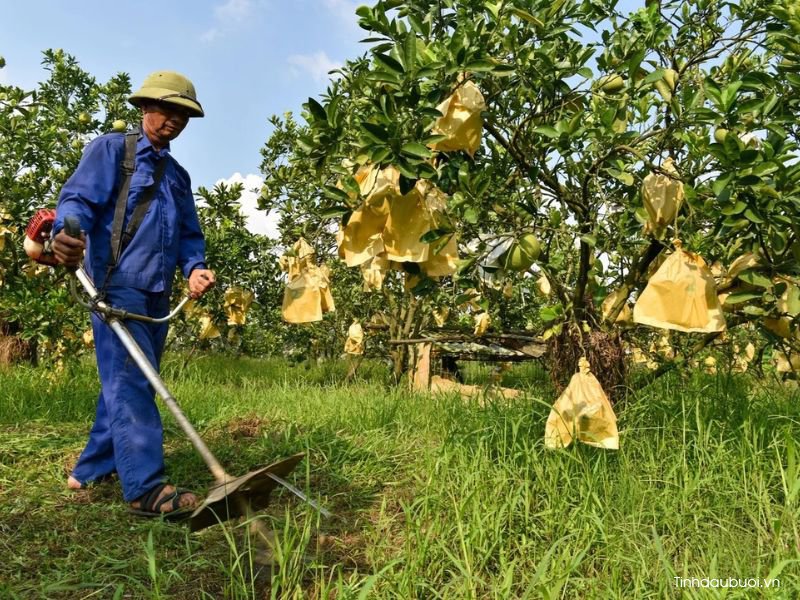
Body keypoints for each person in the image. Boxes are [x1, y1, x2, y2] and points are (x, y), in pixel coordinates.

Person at [52, 71, 215, 517]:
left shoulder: (177, 176)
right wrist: (68, 234)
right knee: (133, 382)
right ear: (145, 107)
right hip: (115, 284)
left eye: (183, 114)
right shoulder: (114, 150)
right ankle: (145, 488)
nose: (174, 120)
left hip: (157, 293)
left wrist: (196, 268)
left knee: (126, 382)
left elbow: (188, 235)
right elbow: (77, 202)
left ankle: (88, 470)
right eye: (167, 109)